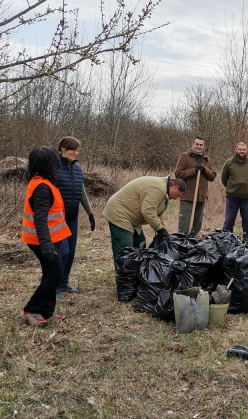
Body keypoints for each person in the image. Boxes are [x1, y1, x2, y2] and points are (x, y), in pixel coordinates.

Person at [20, 147, 72, 327]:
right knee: (56, 275)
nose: (57, 165)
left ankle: (46, 312)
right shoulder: (42, 187)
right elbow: (40, 219)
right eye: (54, 162)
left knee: (50, 274)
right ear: (46, 165)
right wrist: (46, 245)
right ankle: (30, 310)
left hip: (52, 238)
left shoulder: (43, 182)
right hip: (42, 240)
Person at [102, 176, 186, 265]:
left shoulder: (164, 191)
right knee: (125, 250)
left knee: (140, 244)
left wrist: (162, 229)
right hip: (119, 213)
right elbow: (148, 212)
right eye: (178, 195)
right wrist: (159, 229)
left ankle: (136, 273)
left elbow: (157, 213)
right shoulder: (158, 188)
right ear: (175, 187)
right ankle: (123, 276)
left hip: (132, 217)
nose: (176, 198)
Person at [54, 136, 95, 300]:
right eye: (73, 149)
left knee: (71, 252)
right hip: (58, 218)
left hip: (72, 216)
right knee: (62, 252)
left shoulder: (77, 168)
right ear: (63, 149)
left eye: (78, 150)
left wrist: (90, 213)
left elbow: (82, 191)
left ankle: (64, 284)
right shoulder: (54, 167)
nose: (76, 153)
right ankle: (54, 286)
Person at [174, 136, 216, 235]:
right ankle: (181, 245)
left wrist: (205, 169)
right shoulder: (184, 156)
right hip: (188, 196)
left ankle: (193, 245)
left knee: (197, 226)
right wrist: (194, 170)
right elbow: (178, 174)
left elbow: (213, 177)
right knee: (184, 227)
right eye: (197, 144)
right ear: (192, 144)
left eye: (201, 145)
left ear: (204, 146)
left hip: (201, 198)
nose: (199, 146)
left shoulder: (207, 160)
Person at [221, 142, 248, 240]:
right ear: (236, 150)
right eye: (240, 149)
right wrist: (232, 188)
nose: (242, 151)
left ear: (246, 151)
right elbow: (224, 179)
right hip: (232, 198)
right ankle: (226, 240)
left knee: (247, 221)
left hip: (247, 198)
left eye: (244, 150)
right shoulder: (229, 163)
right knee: (229, 220)